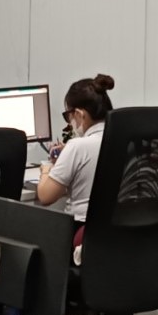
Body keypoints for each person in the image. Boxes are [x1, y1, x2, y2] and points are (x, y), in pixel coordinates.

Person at [37, 75, 114, 243]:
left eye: (68, 116)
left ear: (79, 114)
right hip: (116, 235)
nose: (69, 122)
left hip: (83, 233)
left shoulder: (77, 147)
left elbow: (45, 196)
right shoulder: (123, 140)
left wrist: (46, 169)